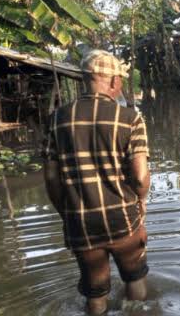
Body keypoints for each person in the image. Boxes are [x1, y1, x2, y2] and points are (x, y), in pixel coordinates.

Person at [42, 50, 151, 315]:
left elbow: (51, 178)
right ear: (114, 81)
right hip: (123, 220)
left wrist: (67, 213)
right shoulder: (130, 119)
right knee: (134, 280)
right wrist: (141, 202)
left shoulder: (57, 120)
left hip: (81, 225)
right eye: (120, 80)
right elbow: (139, 176)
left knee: (95, 290)